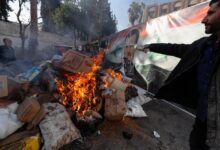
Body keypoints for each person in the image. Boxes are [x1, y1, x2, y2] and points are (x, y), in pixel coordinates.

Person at [136, 0, 220, 149]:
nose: (203, 19)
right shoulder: (204, 46)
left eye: (211, 13)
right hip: (201, 122)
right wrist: (151, 46)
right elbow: (177, 49)